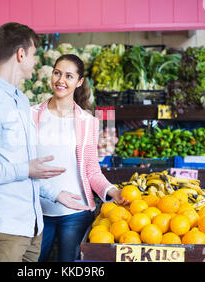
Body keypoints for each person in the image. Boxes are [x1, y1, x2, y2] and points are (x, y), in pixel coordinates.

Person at [0, 22, 88, 262]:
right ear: (20, 54)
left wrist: (55, 193)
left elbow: (25, 165)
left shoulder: (21, 101)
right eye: (34, 54)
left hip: (31, 226)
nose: (36, 62)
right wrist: (24, 169)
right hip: (1, 227)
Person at [32, 54, 127, 262]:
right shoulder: (32, 115)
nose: (61, 80)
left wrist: (112, 191)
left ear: (79, 81)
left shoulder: (88, 121)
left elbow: (92, 169)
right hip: (37, 210)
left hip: (76, 212)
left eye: (68, 76)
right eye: (57, 73)